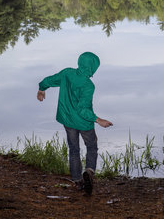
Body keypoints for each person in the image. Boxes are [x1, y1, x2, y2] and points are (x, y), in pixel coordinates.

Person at [37, 52, 113, 195]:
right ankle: (89, 171)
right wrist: (98, 120)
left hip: (68, 121)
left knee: (74, 149)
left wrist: (41, 89)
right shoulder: (88, 85)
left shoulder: (67, 73)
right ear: (93, 67)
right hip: (84, 123)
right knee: (91, 146)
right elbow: (83, 110)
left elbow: (50, 80)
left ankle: (78, 181)